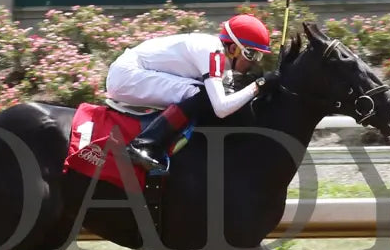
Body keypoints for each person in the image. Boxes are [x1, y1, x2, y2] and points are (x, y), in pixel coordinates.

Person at [105, 13, 276, 173]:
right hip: (126, 75)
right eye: (250, 54)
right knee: (200, 94)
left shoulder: (221, 60)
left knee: (204, 94)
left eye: (258, 56)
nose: (253, 62)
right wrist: (258, 86)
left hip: (135, 73)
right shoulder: (213, 53)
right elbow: (221, 108)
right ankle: (143, 145)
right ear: (232, 49)